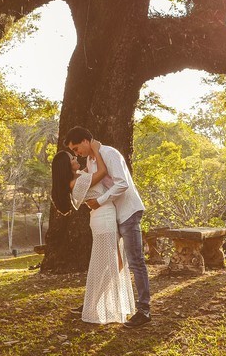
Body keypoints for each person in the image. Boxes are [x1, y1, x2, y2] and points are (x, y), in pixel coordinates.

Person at [64, 126, 151, 329]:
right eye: (74, 152)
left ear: (86, 140)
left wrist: (100, 201)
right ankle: (92, 304)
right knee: (113, 263)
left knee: (135, 261)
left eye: (77, 148)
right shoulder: (92, 162)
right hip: (112, 215)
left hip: (128, 211)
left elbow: (122, 184)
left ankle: (144, 310)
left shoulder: (109, 153)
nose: (78, 153)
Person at [50, 148, 135, 325]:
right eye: (71, 157)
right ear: (66, 166)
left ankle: (93, 301)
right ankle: (93, 303)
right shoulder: (77, 182)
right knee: (110, 263)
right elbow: (102, 171)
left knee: (116, 262)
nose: (75, 157)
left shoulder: (79, 177)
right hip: (104, 219)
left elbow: (93, 170)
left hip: (104, 217)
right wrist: (95, 149)